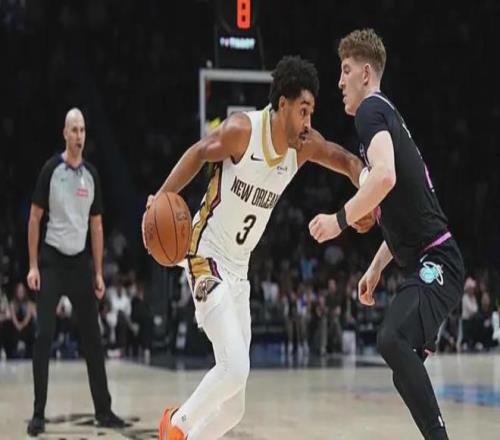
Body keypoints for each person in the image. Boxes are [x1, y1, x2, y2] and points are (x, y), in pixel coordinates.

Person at [142, 56, 375, 440]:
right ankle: (175, 425)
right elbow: (199, 152)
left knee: (234, 408)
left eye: (311, 112)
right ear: (282, 105)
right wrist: (160, 197)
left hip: (239, 270)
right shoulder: (242, 131)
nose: (308, 122)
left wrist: (366, 192)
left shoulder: (302, 146)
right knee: (234, 368)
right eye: (303, 111)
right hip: (205, 256)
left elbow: (346, 160)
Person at [309, 29, 465, 439]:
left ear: (366, 73)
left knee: (392, 338)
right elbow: (401, 211)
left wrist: (338, 220)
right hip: (430, 259)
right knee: (401, 365)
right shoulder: (384, 119)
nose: (339, 82)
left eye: (345, 71)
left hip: (438, 260)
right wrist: (377, 267)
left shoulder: (371, 111)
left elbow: (385, 177)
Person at [26, 108, 125, 436]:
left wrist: (98, 272)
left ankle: (104, 411)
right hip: (52, 260)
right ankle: (38, 414)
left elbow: (97, 227)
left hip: (80, 262)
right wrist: (33, 265)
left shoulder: (91, 175)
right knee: (43, 336)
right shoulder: (50, 170)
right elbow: (35, 218)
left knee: (93, 339)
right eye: (74, 130)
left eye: (83, 130)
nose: (79, 135)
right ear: (64, 134)